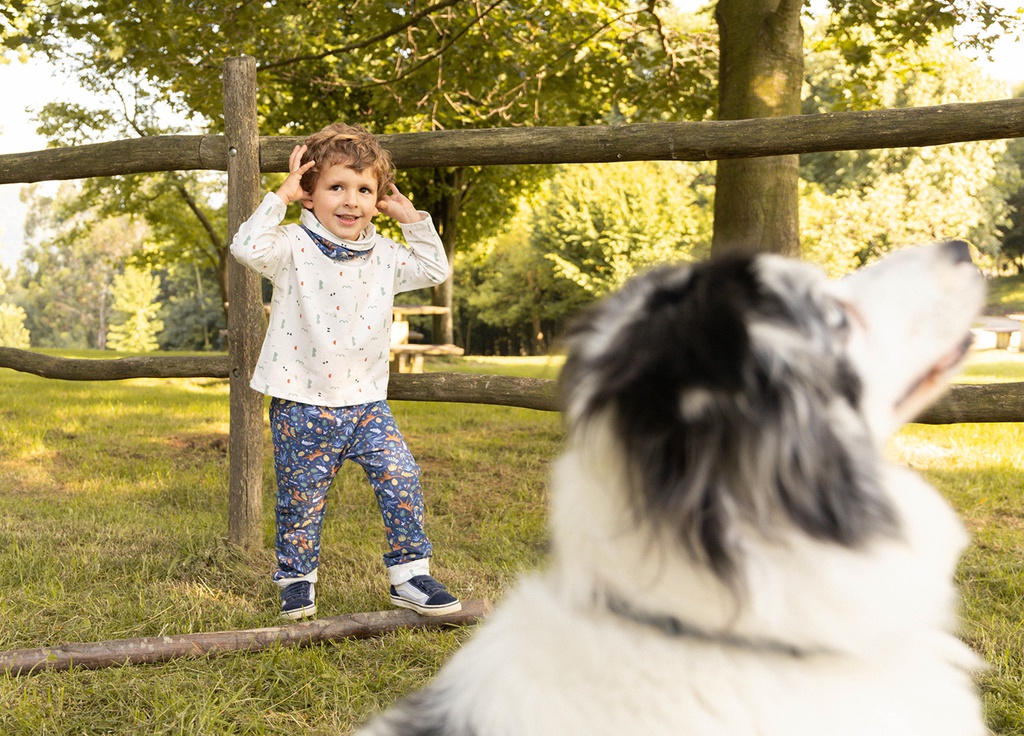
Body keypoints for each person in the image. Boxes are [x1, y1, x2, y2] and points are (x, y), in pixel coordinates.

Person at [230, 122, 460, 620]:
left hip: (367, 403)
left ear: (378, 200)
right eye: (336, 187)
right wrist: (279, 197)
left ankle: (410, 575)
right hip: (301, 399)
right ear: (310, 196)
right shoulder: (290, 246)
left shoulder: (386, 254)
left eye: (364, 190)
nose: (350, 200)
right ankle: (296, 579)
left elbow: (435, 270)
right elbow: (246, 247)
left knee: (401, 475)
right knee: (301, 499)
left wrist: (412, 219)